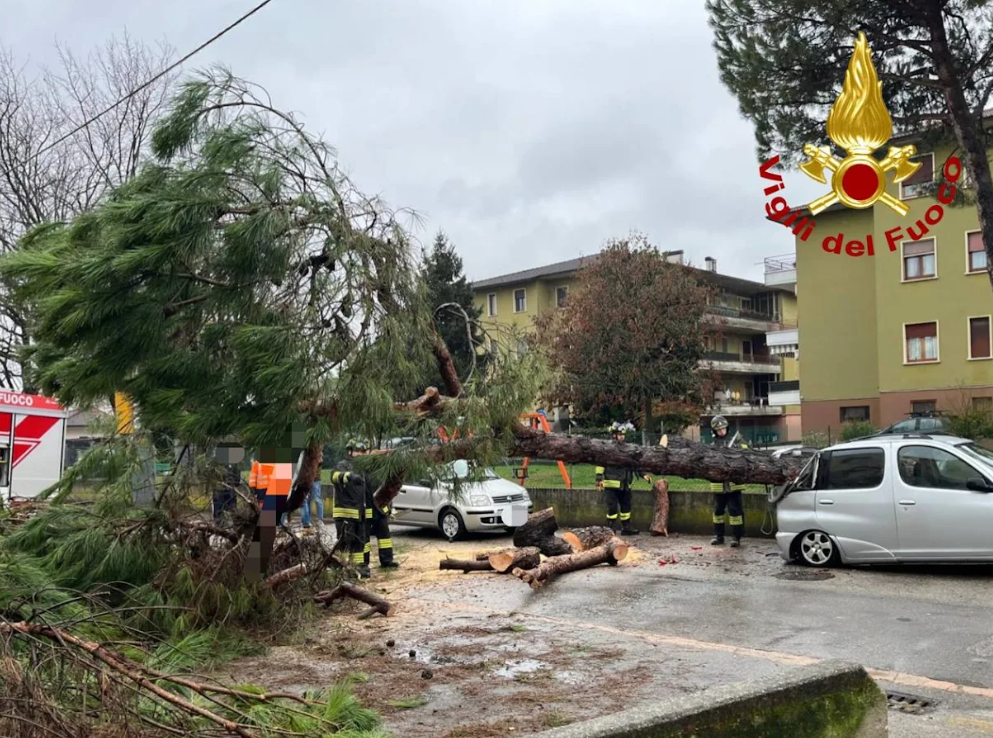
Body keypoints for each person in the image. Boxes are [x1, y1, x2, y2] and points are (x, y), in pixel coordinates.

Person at [595, 422, 652, 535]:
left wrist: (643, 474)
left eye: (623, 435)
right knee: (612, 508)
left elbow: (634, 464)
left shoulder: (628, 449)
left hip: (625, 484)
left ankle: (627, 527)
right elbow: (600, 464)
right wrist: (598, 479)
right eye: (620, 434)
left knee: (626, 507)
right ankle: (611, 529)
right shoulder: (608, 449)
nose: (622, 437)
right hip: (611, 485)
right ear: (614, 435)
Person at [352, 445, 399, 570]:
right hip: (366, 509)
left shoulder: (379, 469)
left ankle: (387, 560)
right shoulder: (359, 469)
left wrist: (389, 507)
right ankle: (364, 563)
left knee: (384, 536)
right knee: (364, 538)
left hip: (380, 509)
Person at [708, 415, 749, 547]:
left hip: (734, 484)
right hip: (718, 485)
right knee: (718, 511)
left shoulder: (736, 440)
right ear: (714, 431)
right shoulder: (713, 445)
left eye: (723, 428)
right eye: (718, 429)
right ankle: (718, 536)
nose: (721, 431)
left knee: (735, 511)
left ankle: (736, 537)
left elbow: (746, 453)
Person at [332, 441, 370, 578]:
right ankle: (339, 569)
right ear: (350, 451)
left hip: (359, 513)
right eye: (359, 450)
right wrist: (349, 476)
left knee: (360, 543)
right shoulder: (342, 465)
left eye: (363, 451)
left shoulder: (362, 468)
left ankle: (360, 568)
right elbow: (334, 477)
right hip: (345, 514)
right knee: (345, 543)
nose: (361, 453)